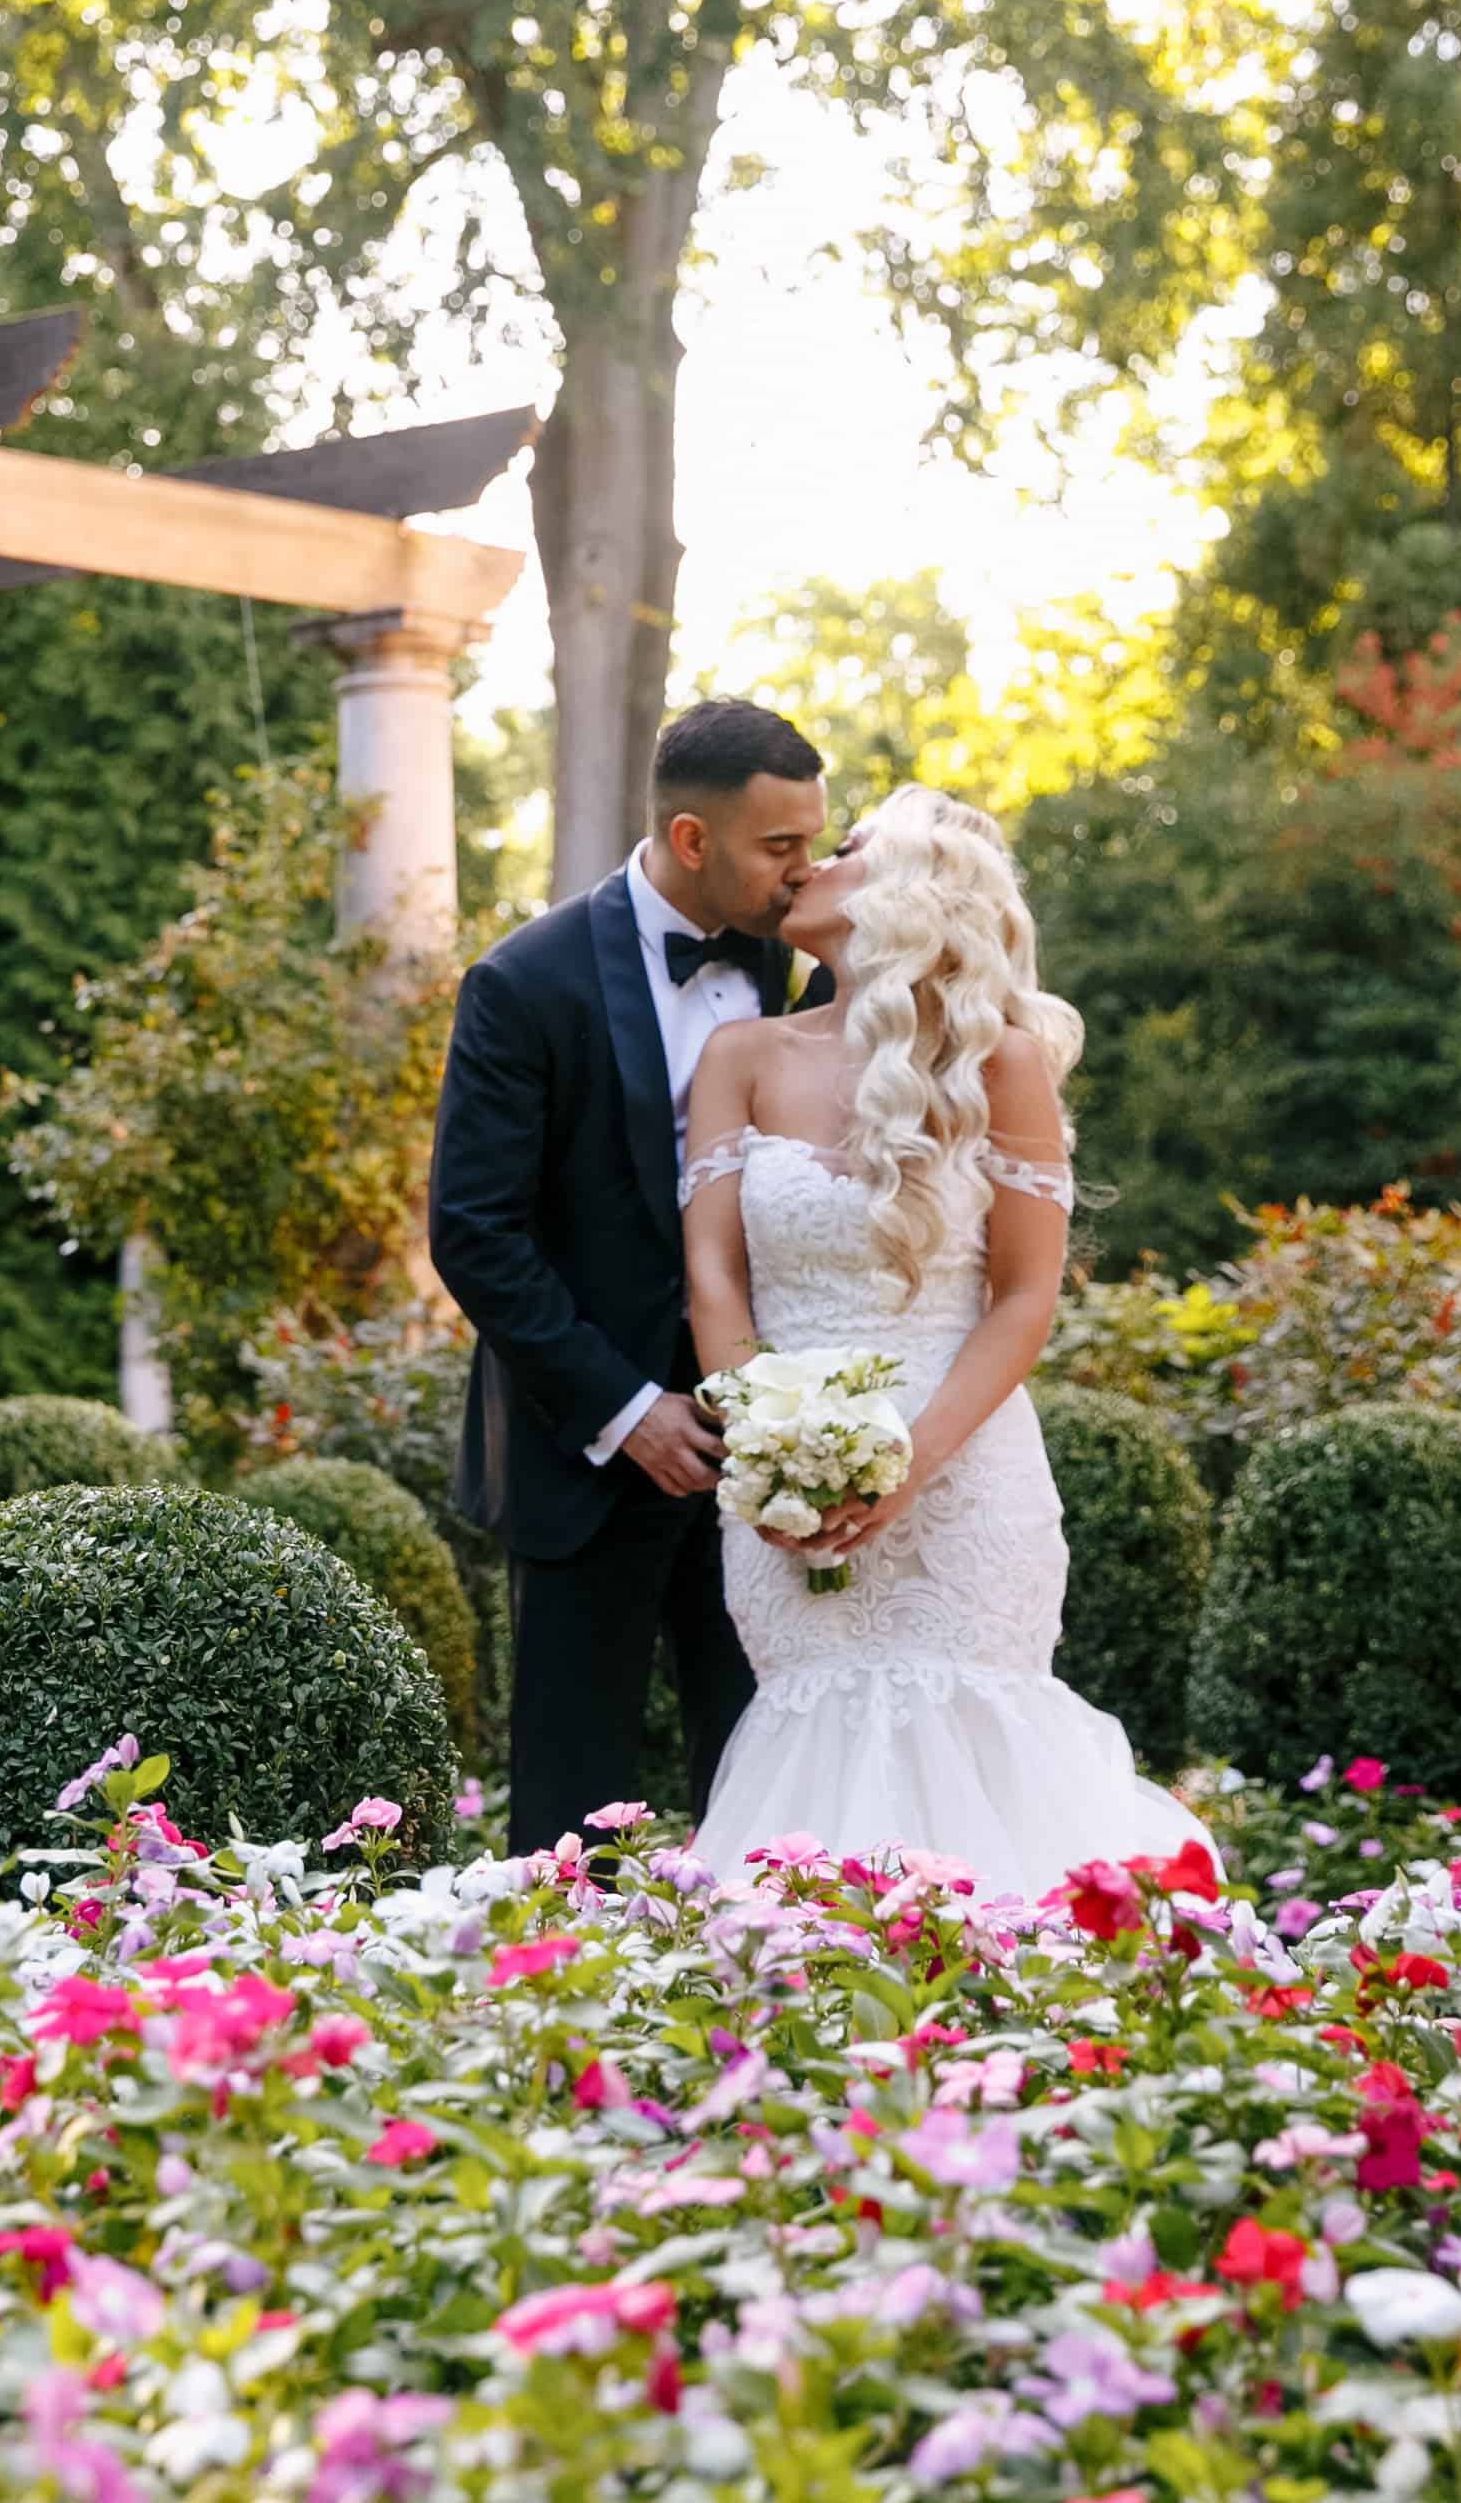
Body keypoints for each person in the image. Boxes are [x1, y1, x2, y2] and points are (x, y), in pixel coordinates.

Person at [678, 783, 1209, 1895]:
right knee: (812, 1737)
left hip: (962, 1473)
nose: (810, 864)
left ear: (916, 894)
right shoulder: (741, 1055)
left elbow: (1023, 1299)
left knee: (973, 1738)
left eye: (850, 848)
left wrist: (908, 1465)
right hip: (778, 1487)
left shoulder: (999, 1063)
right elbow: (715, 1277)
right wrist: (768, 1451)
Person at [430, 699, 832, 1855]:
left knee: (769, 1787)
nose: (804, 871)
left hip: (771, 1458)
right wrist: (624, 1409)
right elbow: (475, 1232)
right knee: (572, 1814)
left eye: (814, 840)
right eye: (782, 847)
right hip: (581, 1457)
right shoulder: (522, 983)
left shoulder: (808, 969)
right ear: (694, 840)